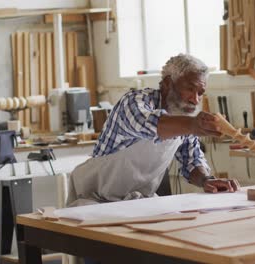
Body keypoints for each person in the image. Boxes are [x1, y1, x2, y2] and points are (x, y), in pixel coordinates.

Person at [67, 53, 239, 207]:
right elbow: (152, 124)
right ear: (167, 83)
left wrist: (207, 180)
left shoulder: (184, 120)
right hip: (94, 202)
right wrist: (193, 125)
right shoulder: (135, 102)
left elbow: (192, 160)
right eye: (190, 89)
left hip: (138, 202)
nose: (195, 99)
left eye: (200, 92)